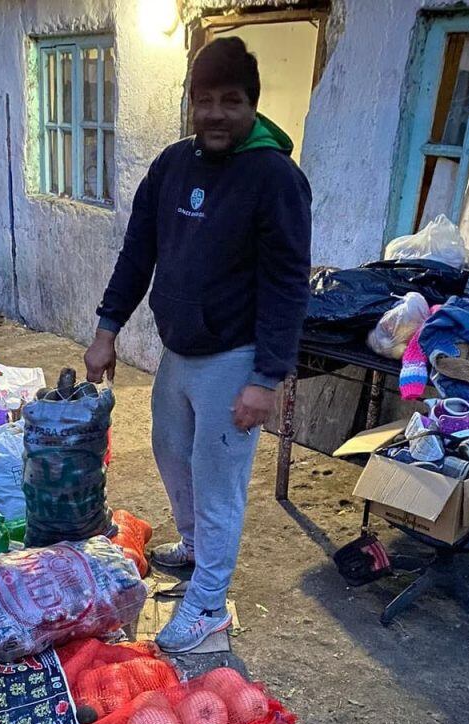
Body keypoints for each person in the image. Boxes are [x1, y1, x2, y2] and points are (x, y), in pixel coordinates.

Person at [84, 37, 312, 653]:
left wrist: (266, 378)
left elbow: (288, 284)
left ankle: (209, 603)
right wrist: (107, 329)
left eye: (230, 100)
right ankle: (194, 547)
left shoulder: (275, 178)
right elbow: (139, 252)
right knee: (169, 452)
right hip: (178, 353)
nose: (214, 113)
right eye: (202, 99)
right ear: (189, 102)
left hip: (235, 358)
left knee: (219, 480)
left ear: (252, 106)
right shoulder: (171, 165)